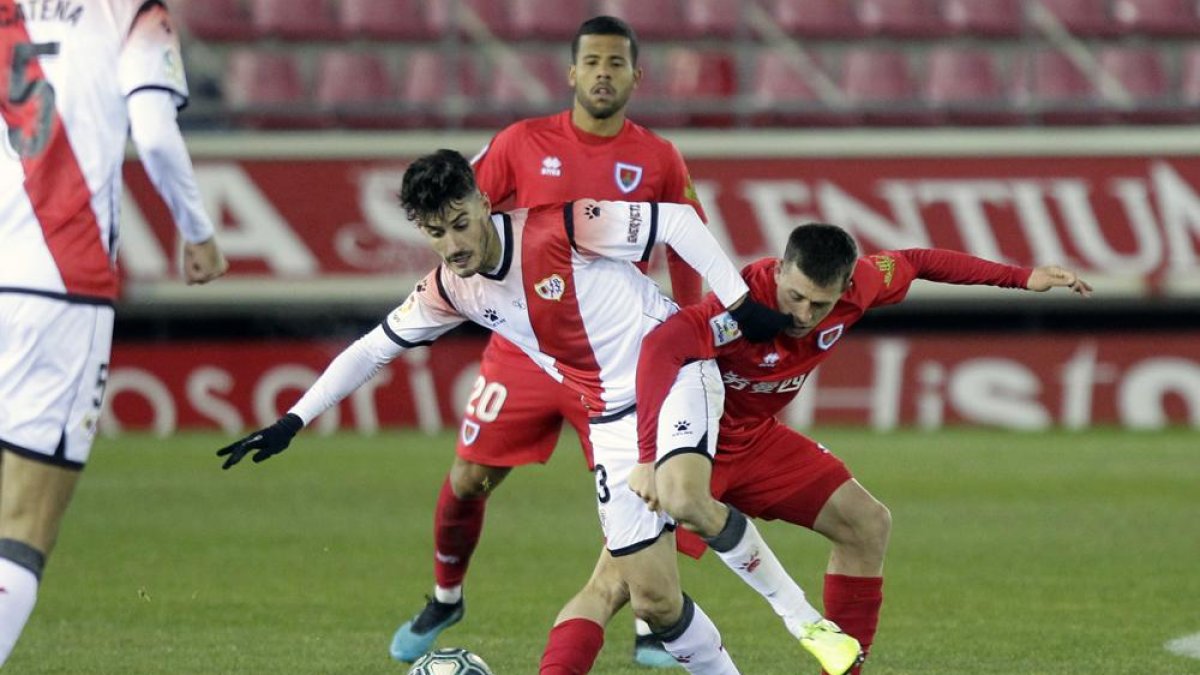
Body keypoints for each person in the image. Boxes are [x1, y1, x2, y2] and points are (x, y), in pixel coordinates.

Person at [216, 149, 807, 673]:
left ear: (481, 198)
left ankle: (802, 618)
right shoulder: (452, 287)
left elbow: (676, 220)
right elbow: (374, 347)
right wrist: (295, 419)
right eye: (435, 233)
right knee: (653, 599)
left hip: (677, 376)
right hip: (610, 421)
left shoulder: (564, 226)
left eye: (460, 224)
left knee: (681, 496)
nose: (453, 245)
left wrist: (736, 299)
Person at [554, 222, 1091, 674]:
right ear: (780, 269)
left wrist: (1023, 278)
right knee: (618, 589)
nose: (805, 314)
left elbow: (920, 260)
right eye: (796, 296)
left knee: (867, 523)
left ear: (845, 288)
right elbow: (660, 350)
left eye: (821, 303)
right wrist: (648, 454)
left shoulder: (862, 286)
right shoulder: (739, 303)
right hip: (696, 445)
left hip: (759, 444)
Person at [390, 15, 709, 668]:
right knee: (469, 477)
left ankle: (654, 619)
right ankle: (447, 595)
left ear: (635, 76)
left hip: (618, 356)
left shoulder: (659, 159)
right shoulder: (520, 143)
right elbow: (459, 209)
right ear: (570, 72)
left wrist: (694, 334)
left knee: (648, 478)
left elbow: (688, 249)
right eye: (591, 61)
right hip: (528, 348)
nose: (602, 72)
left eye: (616, 63)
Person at [0, 1, 227, 665]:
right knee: (22, 525)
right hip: (59, 284)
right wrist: (198, 232)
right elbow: (154, 135)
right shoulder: (129, 11)